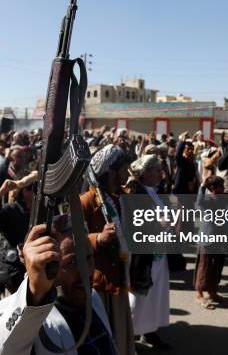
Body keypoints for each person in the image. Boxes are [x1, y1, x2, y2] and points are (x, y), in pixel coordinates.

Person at [0, 222, 117, 355]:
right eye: (72, 262)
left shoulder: (92, 297)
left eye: (88, 257)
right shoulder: (9, 310)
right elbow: (2, 350)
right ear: (44, 265)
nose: (86, 272)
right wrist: (34, 292)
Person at [79, 144, 136, 354]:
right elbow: (72, 241)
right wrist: (98, 238)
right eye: (123, 170)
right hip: (100, 281)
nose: (127, 175)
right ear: (110, 172)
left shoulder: (122, 197)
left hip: (120, 275)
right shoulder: (86, 202)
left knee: (120, 330)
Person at [127, 154, 171, 349]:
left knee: (155, 294)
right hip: (144, 253)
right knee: (140, 297)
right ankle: (130, 335)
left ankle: (150, 331)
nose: (160, 174)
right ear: (145, 173)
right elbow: (135, 223)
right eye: (156, 170)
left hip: (157, 252)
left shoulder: (153, 191)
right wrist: (158, 224)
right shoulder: (136, 193)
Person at [0, 178, 33, 294]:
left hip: (31, 273)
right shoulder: (11, 209)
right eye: (34, 189)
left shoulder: (39, 211)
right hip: (12, 273)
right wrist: (1, 192)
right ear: (25, 191)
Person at [194, 175, 227, 309]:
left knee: (215, 266)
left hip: (218, 238)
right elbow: (199, 201)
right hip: (207, 238)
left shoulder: (221, 199)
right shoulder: (207, 200)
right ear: (213, 188)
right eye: (221, 186)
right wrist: (202, 186)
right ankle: (199, 294)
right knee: (204, 266)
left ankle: (212, 291)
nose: (223, 188)